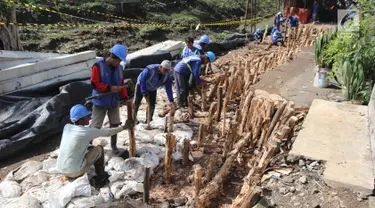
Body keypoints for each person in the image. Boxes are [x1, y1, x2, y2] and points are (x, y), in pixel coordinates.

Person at [56, 104, 134, 181]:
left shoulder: (67, 127)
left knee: (89, 147)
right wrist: (124, 127)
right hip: (74, 172)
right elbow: (108, 132)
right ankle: (101, 175)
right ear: (81, 119)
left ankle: (75, 169)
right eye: (87, 116)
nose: (90, 118)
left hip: (61, 168)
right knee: (99, 149)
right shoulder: (86, 132)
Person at [90, 44, 128, 155]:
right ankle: (89, 146)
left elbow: (121, 83)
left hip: (114, 101)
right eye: (118, 60)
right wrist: (109, 88)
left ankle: (114, 146)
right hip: (100, 101)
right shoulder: (98, 66)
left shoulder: (119, 68)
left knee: (115, 124)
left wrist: (124, 97)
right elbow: (94, 83)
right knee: (95, 126)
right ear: (112, 57)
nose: (119, 63)